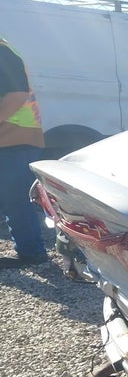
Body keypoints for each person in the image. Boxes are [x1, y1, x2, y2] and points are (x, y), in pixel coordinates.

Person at [0, 36, 48, 266]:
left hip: (16, 136)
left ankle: (33, 253)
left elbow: (17, 95)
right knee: (12, 197)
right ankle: (30, 250)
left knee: (17, 198)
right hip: (12, 136)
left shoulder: (3, 52)